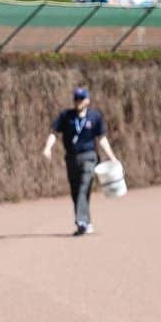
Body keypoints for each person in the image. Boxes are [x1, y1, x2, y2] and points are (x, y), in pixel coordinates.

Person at [42, 85, 117, 234]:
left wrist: (112, 157)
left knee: (84, 187)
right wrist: (47, 147)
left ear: (87, 100)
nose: (78, 102)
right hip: (71, 158)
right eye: (76, 99)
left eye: (81, 99)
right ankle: (85, 223)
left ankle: (81, 220)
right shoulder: (66, 116)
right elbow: (54, 133)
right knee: (76, 192)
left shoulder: (95, 116)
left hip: (89, 157)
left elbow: (101, 138)